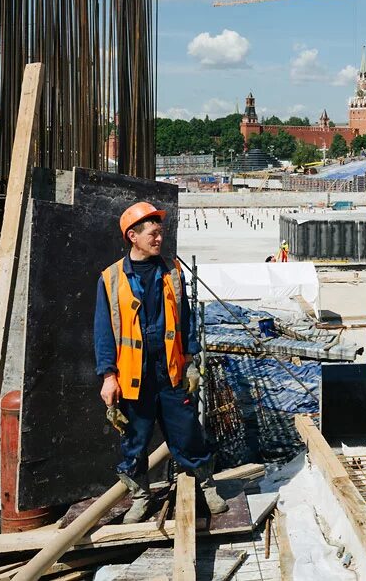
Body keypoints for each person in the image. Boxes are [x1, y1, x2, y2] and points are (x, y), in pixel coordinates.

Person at [93, 201, 228, 523]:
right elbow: (103, 331)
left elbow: (185, 321)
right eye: (153, 233)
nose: (159, 238)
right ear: (132, 236)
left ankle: (207, 487)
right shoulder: (111, 279)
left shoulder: (172, 274)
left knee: (187, 433)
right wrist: (108, 376)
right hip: (134, 376)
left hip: (169, 371)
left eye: (160, 232)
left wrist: (191, 361)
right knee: (134, 441)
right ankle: (140, 495)